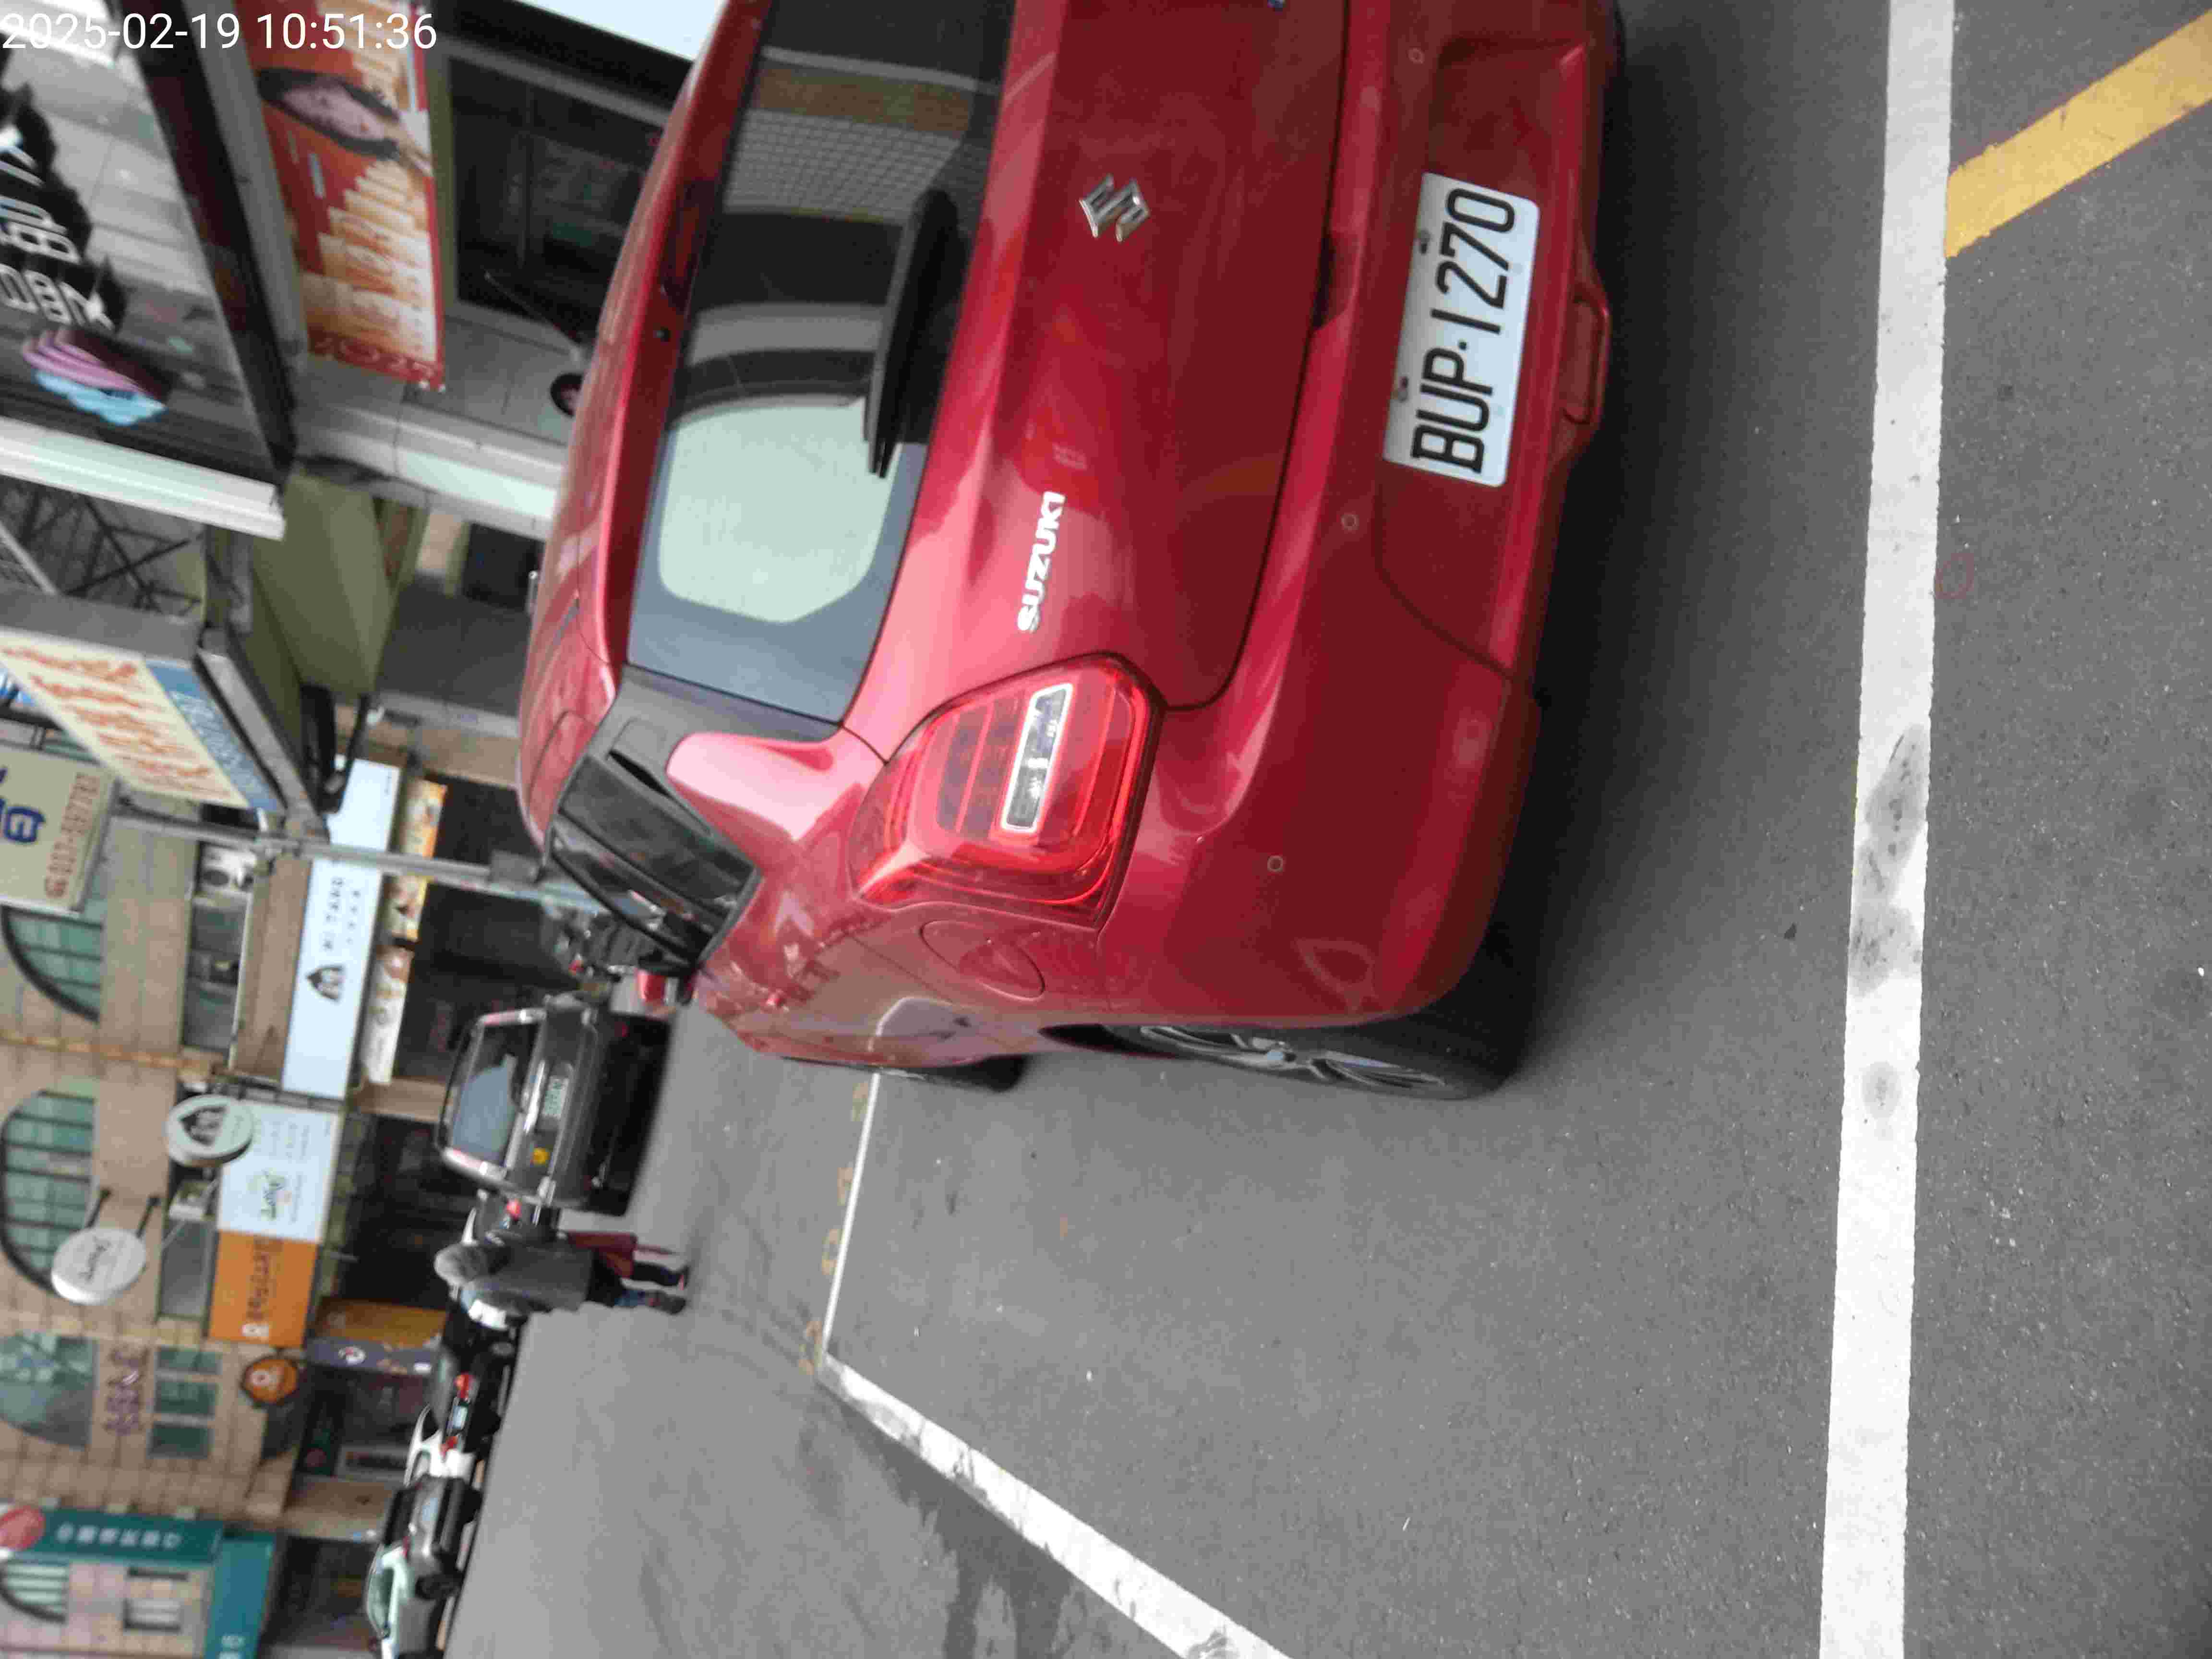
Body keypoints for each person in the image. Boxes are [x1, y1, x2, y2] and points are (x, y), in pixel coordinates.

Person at [433, 1231, 685, 1320]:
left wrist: (544, 1306)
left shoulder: (483, 1291)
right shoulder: (495, 1238)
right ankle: (672, 1278)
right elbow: (541, 1235)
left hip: (569, 1290)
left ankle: (651, 1300)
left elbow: (520, 1307)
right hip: (576, 1259)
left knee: (619, 1297)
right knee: (629, 1268)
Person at [255, 66, 433, 182]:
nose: (334, 118)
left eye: (323, 102)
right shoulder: (412, 160)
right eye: (322, 120)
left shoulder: (418, 115)